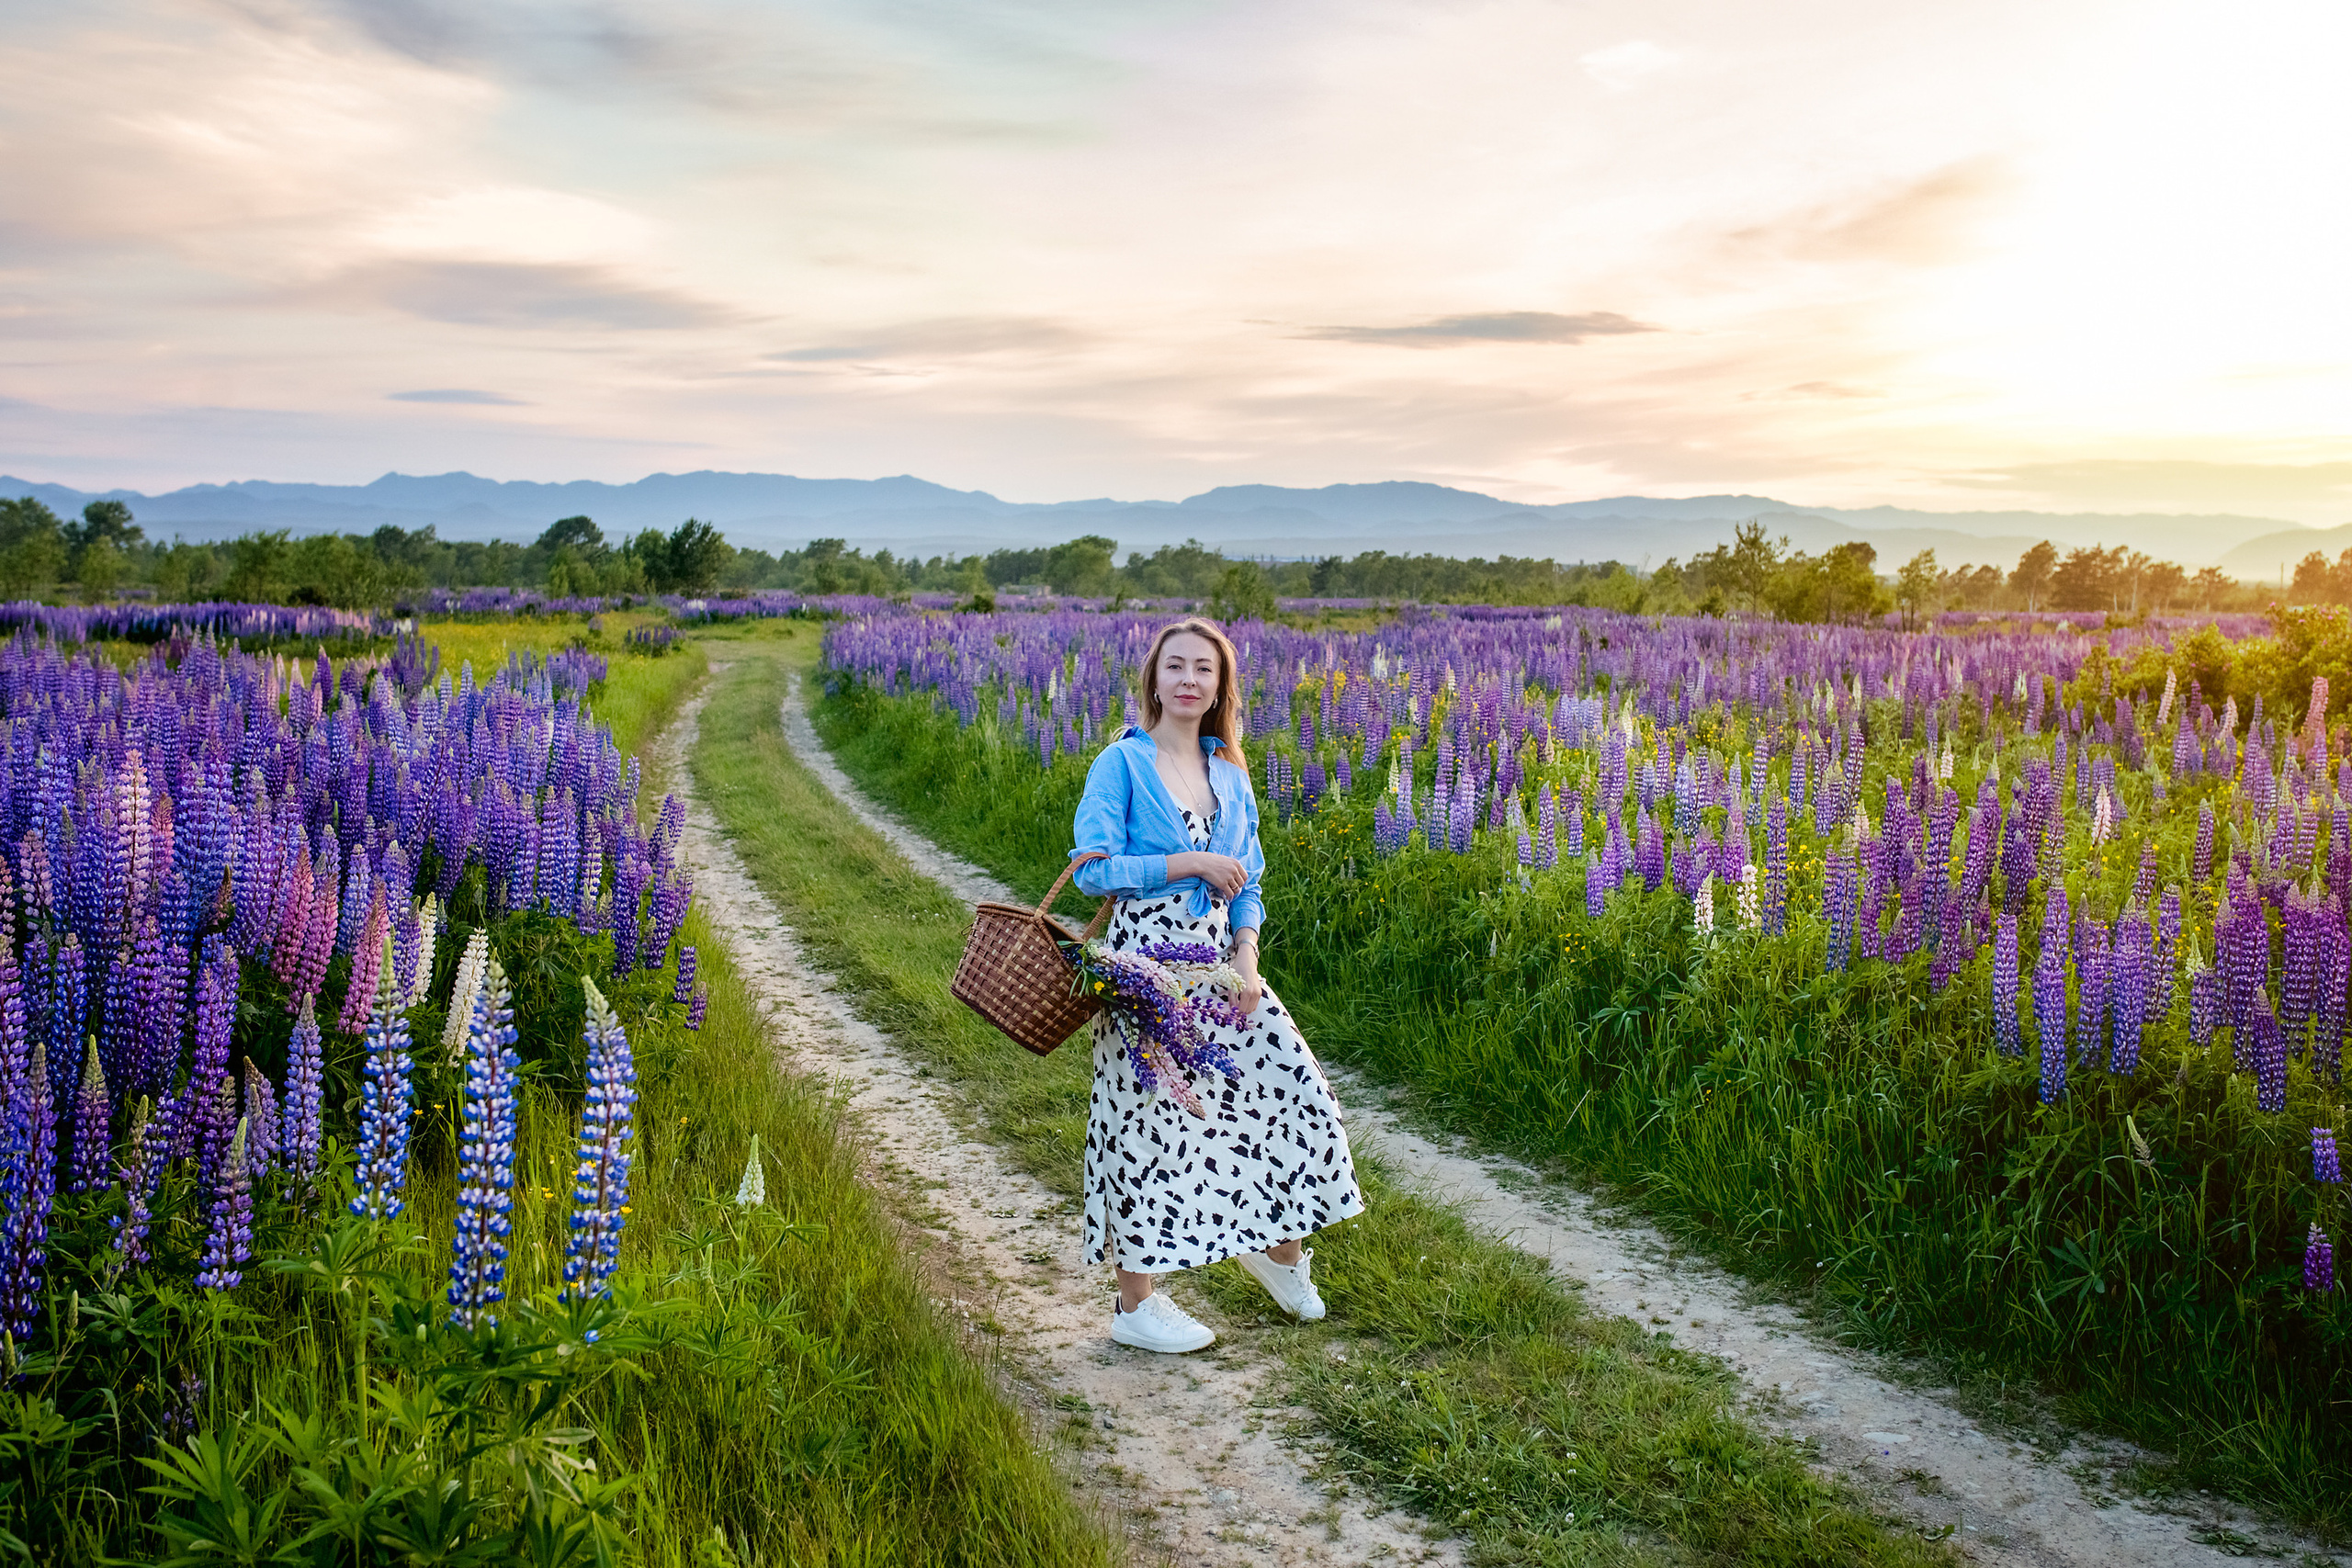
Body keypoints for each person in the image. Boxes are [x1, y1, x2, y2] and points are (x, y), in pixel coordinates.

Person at [1069, 616, 1366, 1353]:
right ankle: (1135, 1304)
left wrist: (1248, 958)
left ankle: (1278, 1253)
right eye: (1175, 666)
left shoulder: (1230, 774)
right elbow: (1092, 868)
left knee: (1290, 1091)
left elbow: (1252, 883)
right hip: (1143, 966)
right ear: (1154, 678)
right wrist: (1187, 863)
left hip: (1219, 964)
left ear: (1219, 685)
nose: (1189, 680)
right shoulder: (1122, 763)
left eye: (1203, 668)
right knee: (1149, 1128)